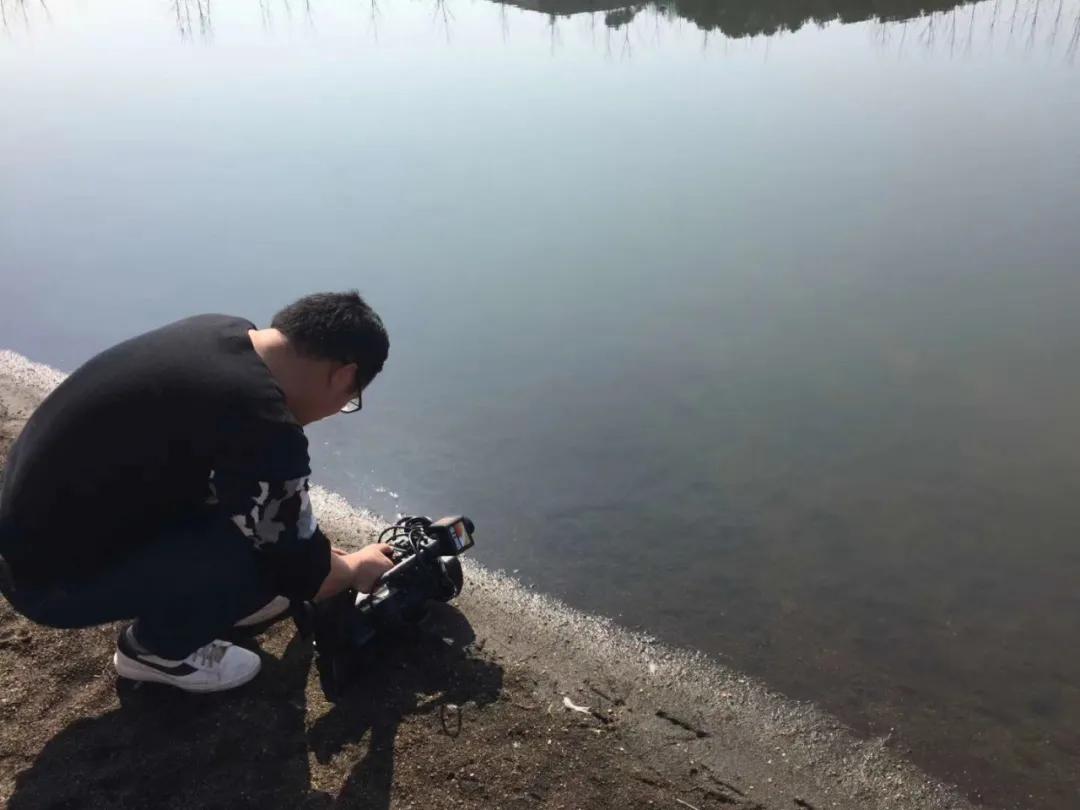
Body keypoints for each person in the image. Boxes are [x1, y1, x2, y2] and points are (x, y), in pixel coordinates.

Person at [0, 291, 396, 693]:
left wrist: (305, 549)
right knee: (266, 560)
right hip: (45, 582)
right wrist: (353, 568)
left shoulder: (218, 330)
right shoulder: (263, 419)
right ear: (345, 376)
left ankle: (206, 601)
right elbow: (301, 566)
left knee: (258, 526)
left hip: (23, 527)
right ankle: (154, 651)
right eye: (350, 399)